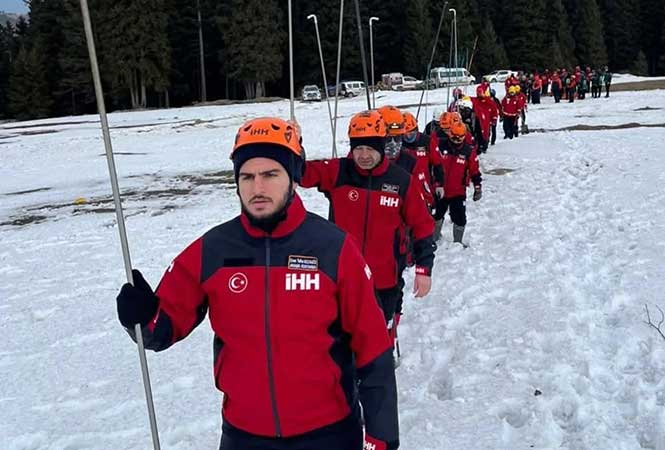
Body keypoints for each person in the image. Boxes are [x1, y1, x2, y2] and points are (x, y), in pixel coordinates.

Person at [115, 117, 399, 450]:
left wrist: (382, 435)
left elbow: (373, 349)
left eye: (270, 175)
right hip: (244, 435)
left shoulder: (333, 248)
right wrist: (142, 315)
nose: (257, 188)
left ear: (292, 179)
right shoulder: (214, 249)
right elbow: (161, 328)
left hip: (329, 433)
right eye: (247, 177)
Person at [300, 110, 436, 357]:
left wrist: (424, 269)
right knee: (341, 333)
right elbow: (302, 174)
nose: (363, 155)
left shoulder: (401, 181)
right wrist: (295, 147)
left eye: (370, 149)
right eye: (357, 148)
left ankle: (385, 349)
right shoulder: (339, 172)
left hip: (384, 277)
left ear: (382, 146)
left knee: (378, 332)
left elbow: (423, 225)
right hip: (342, 275)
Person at [434, 121, 482, 245]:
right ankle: (434, 237)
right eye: (454, 137)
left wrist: (478, 188)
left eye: (460, 137)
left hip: (458, 192)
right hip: (440, 189)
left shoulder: (468, 151)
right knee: (436, 216)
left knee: (460, 218)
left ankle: (457, 242)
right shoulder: (439, 145)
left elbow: (474, 171)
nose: (456, 140)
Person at [400, 111, 445, 207]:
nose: (408, 136)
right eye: (405, 134)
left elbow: (438, 164)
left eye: (411, 133)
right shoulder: (398, 143)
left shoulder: (426, 142)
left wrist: (439, 184)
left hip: (423, 185)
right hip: (403, 186)